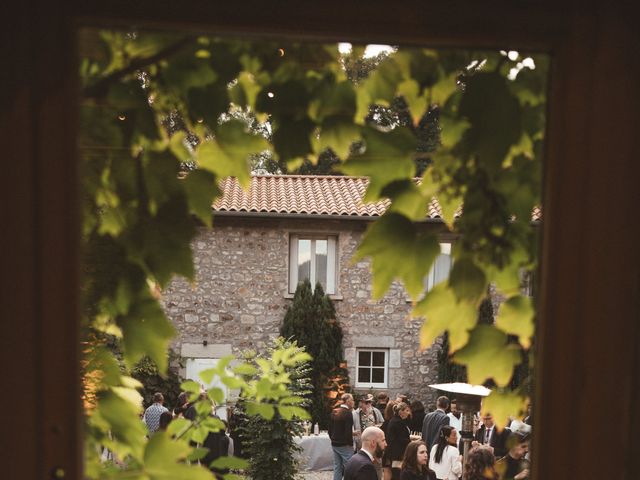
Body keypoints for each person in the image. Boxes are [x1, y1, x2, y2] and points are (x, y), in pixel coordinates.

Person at [329, 393, 356, 480]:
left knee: (337, 466)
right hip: (344, 444)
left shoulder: (334, 411)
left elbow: (330, 429)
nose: (353, 402)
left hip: (334, 443)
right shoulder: (348, 413)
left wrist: (333, 438)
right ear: (348, 401)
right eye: (352, 400)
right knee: (350, 467)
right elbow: (348, 431)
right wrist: (350, 444)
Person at [387, 402, 412, 480]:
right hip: (398, 453)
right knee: (397, 475)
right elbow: (401, 439)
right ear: (401, 411)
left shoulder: (396, 420)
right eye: (407, 411)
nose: (408, 413)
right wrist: (411, 442)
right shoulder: (398, 422)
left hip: (395, 452)